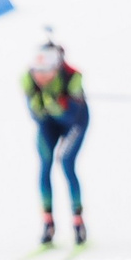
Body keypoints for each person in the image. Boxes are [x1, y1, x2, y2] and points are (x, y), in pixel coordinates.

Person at [25, 39, 89, 245]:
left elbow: (72, 116)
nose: (41, 78)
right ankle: (48, 223)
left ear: (56, 68)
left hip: (74, 124)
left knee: (66, 163)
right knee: (45, 166)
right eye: (37, 72)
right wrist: (43, 106)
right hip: (49, 124)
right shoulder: (28, 79)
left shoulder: (73, 77)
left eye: (46, 73)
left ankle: (78, 222)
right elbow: (35, 115)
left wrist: (55, 105)